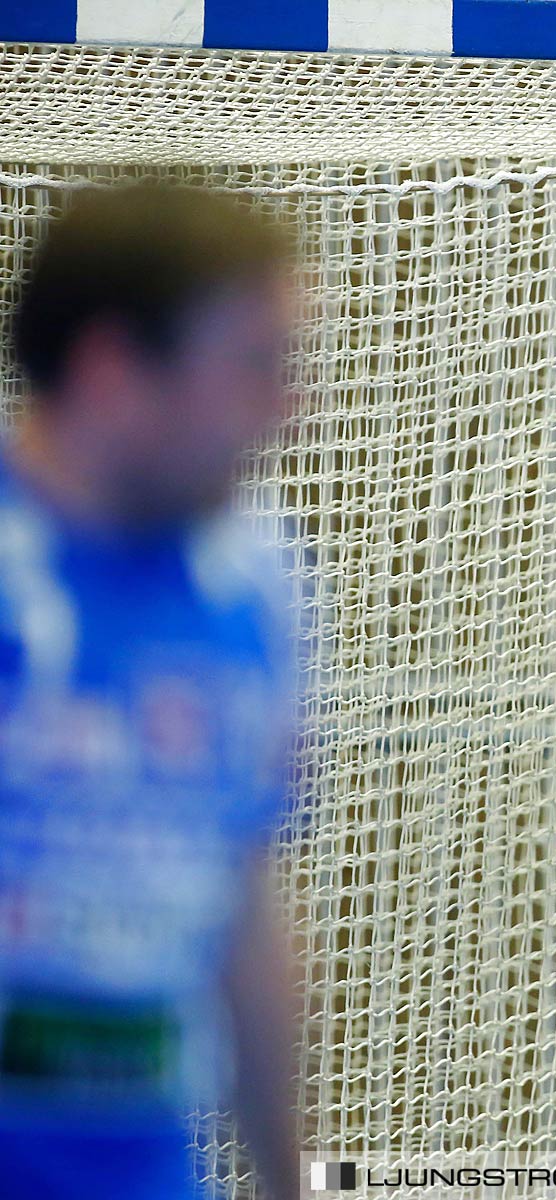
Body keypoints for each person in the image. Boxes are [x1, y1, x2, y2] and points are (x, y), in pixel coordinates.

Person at [0, 181, 303, 1200]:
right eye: (255, 367)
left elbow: (245, 906)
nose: (287, 409)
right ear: (113, 370)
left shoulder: (258, 589)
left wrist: (288, 1181)